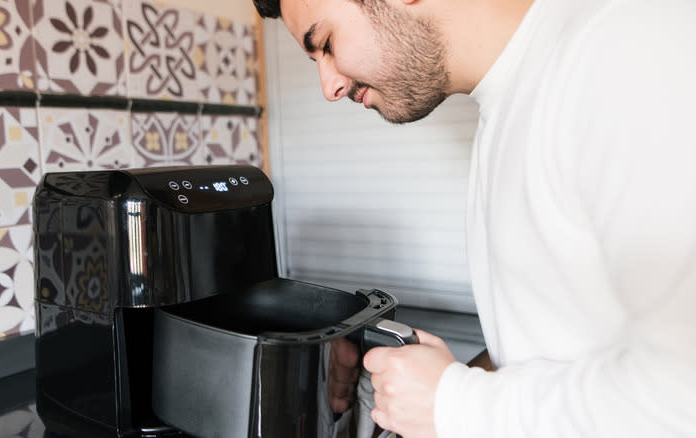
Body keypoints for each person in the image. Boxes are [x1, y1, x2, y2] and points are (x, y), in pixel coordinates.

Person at [252, 0, 696, 437]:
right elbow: (556, 354)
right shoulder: (508, 103)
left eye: (326, 43)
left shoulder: (625, 46)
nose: (328, 86)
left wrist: (454, 404)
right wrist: (444, 386)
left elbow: (682, 396)